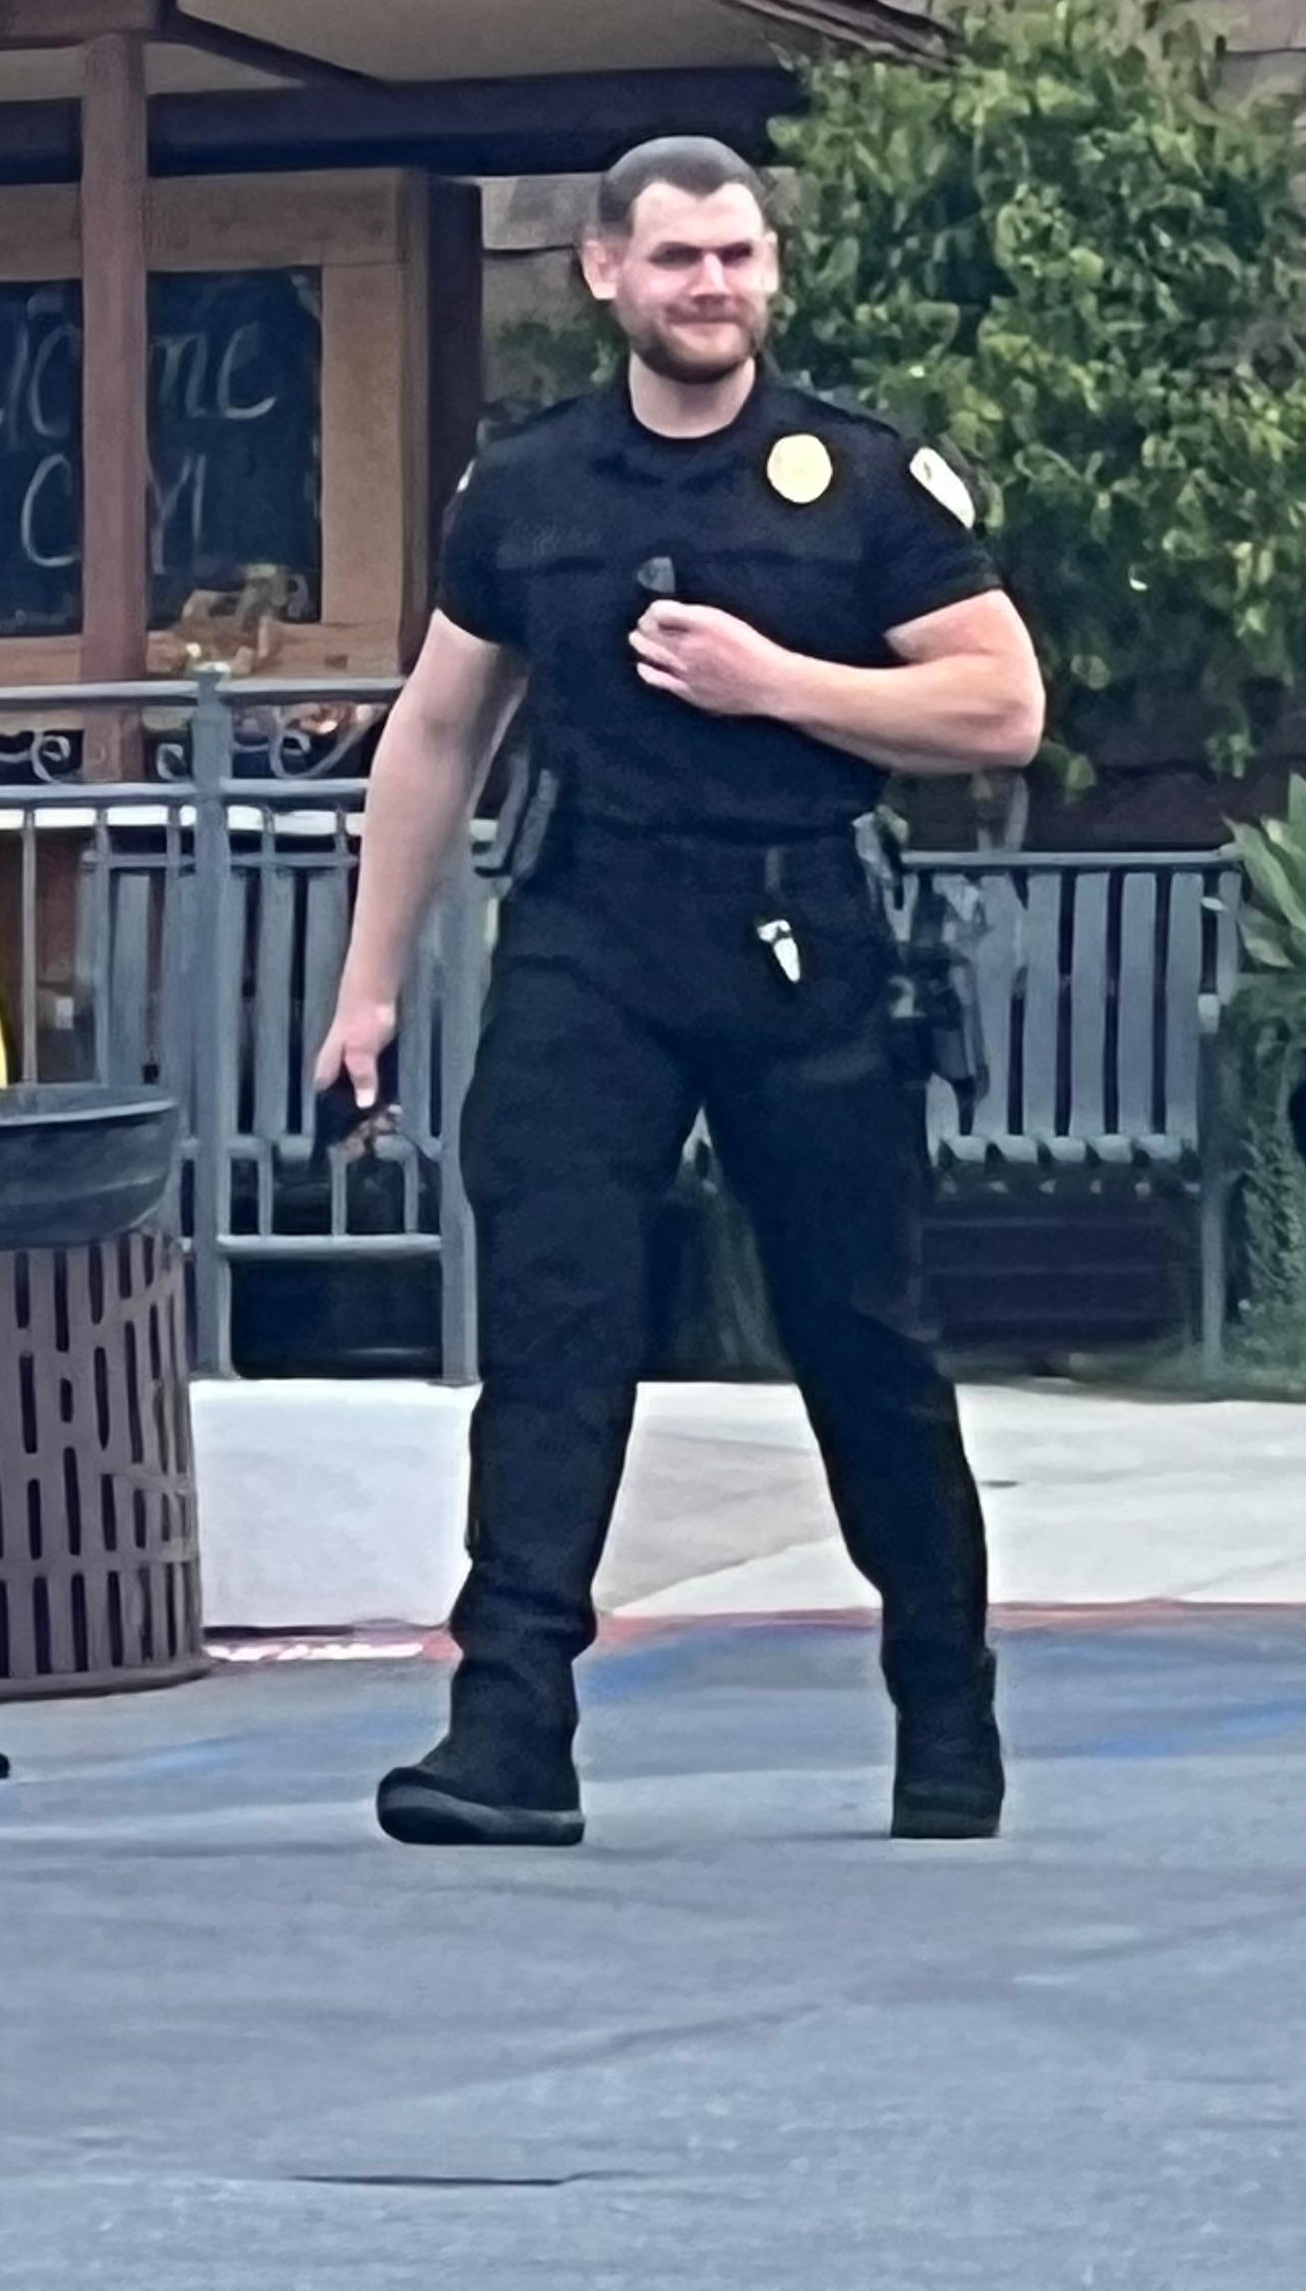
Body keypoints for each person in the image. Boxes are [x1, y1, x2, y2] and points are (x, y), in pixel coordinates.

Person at [309, 135, 1047, 1846]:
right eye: (677, 259)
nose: (710, 286)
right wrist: (370, 986)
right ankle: (507, 1732)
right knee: (557, 1333)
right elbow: (435, 731)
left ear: (769, 272)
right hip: (591, 936)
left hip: (805, 945)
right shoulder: (529, 486)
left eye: (736, 257)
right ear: (604, 276)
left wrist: (776, 678)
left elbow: (999, 705)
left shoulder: (859, 481)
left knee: (859, 1338)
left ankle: (945, 1708)